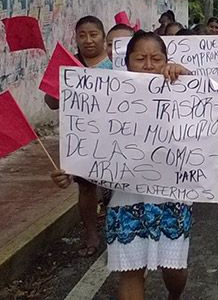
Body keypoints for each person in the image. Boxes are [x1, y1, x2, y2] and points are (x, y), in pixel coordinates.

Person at [51, 31, 192, 300]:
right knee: (130, 272)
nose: (148, 65)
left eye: (156, 58)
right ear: (126, 63)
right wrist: (69, 170)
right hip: (125, 200)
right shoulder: (106, 97)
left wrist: (186, 76)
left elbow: (213, 112)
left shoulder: (182, 89)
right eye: (140, 58)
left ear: (167, 61)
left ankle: (175, 295)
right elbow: (89, 143)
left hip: (172, 198)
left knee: (173, 270)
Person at [44, 16, 113, 257]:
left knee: (114, 189)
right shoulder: (68, 64)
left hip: (114, 136)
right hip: (82, 139)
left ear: (103, 37)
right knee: (86, 189)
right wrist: (59, 86)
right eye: (82, 35)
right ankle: (92, 234)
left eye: (93, 34)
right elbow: (51, 102)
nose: (88, 40)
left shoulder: (116, 64)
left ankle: (117, 232)